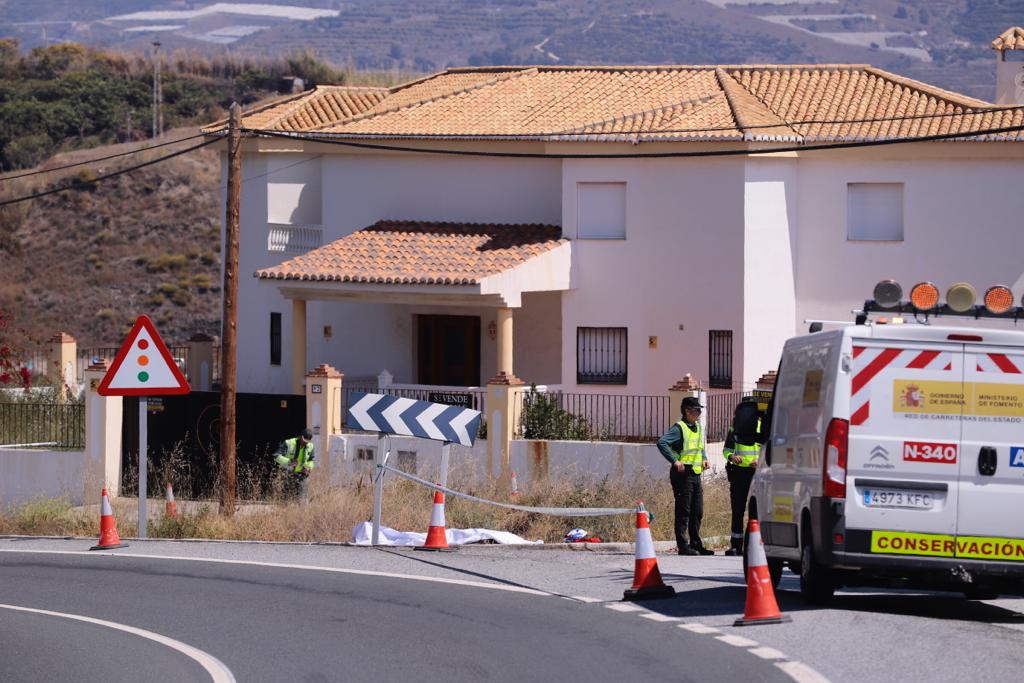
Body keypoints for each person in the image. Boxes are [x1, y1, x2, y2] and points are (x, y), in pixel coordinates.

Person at [657, 396, 713, 556]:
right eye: (697, 410)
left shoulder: (697, 427)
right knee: (684, 511)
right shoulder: (679, 427)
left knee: (697, 511)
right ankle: (683, 545)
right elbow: (662, 443)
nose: (699, 413)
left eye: (700, 411)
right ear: (687, 411)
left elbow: (699, 447)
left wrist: (704, 458)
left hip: (695, 474)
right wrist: (675, 460)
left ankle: (696, 543)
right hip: (682, 474)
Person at [723, 397, 764, 556]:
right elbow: (726, 450)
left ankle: (754, 543)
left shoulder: (762, 427)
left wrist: (759, 462)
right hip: (739, 473)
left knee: (756, 509)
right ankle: (736, 545)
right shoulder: (734, 429)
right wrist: (732, 457)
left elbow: (768, 449)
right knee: (738, 510)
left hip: (757, 473)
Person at [274, 428, 316, 502]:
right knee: (287, 500)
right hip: (287, 474)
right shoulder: (288, 443)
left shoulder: (311, 446)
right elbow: (276, 456)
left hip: (302, 476)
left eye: (307, 442)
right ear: (300, 436)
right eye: (304, 441)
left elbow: (311, 460)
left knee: (302, 501)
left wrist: (309, 468)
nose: (305, 443)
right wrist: (289, 461)